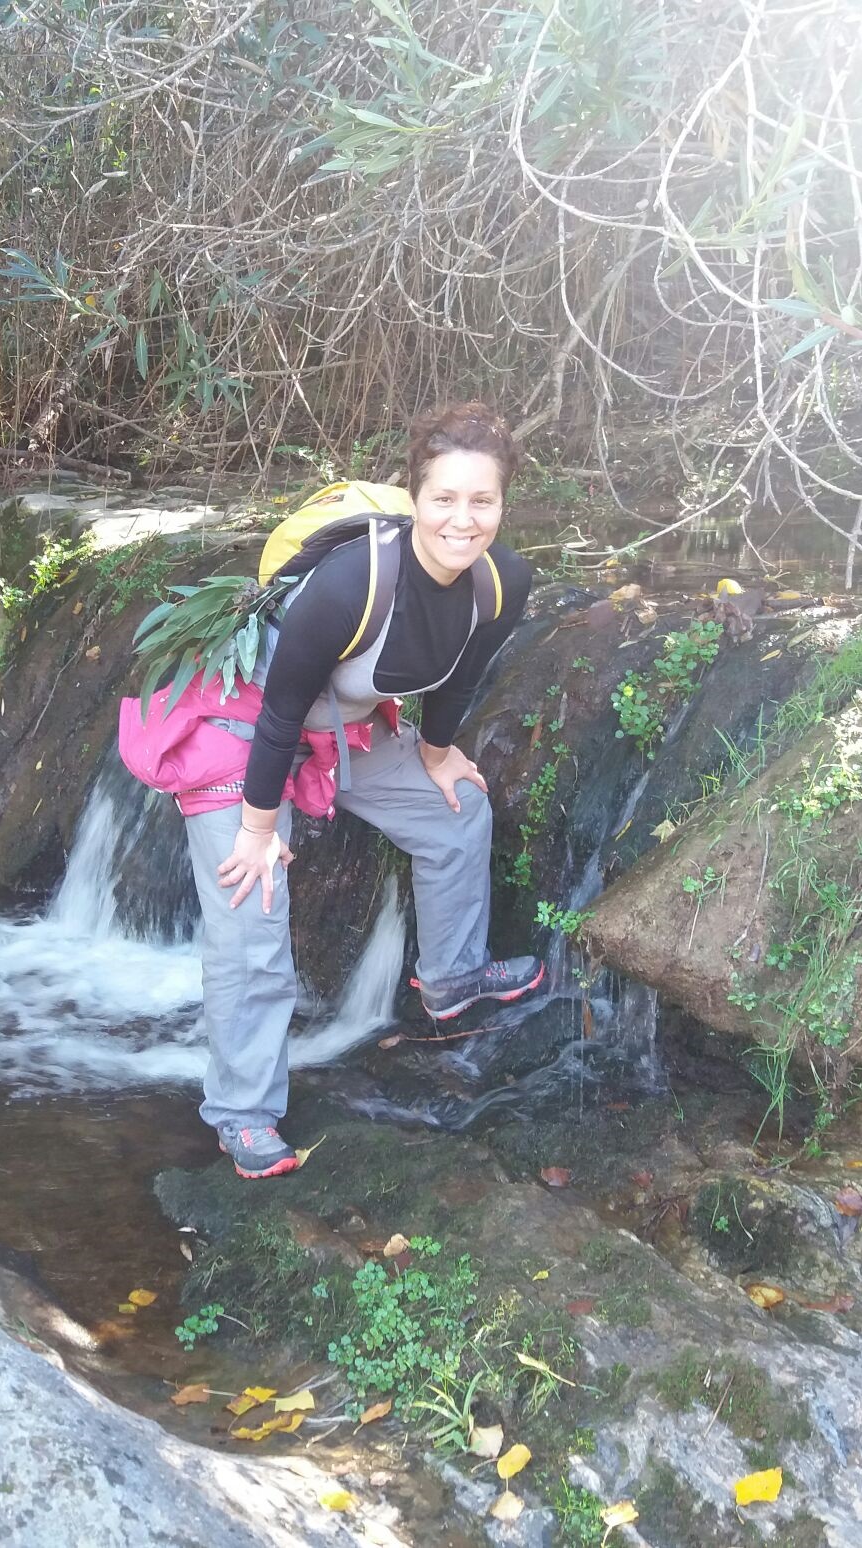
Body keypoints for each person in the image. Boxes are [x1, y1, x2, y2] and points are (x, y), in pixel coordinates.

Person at [184, 402, 541, 1178]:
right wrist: (258, 831)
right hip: (246, 728)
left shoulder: (501, 582)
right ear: (415, 497)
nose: (463, 519)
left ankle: (452, 979)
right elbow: (279, 712)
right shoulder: (353, 583)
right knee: (251, 905)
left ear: (503, 503)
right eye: (445, 498)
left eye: (481, 500)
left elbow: (461, 674)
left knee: (456, 809)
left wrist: (437, 754)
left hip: (341, 724)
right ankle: (243, 1113)